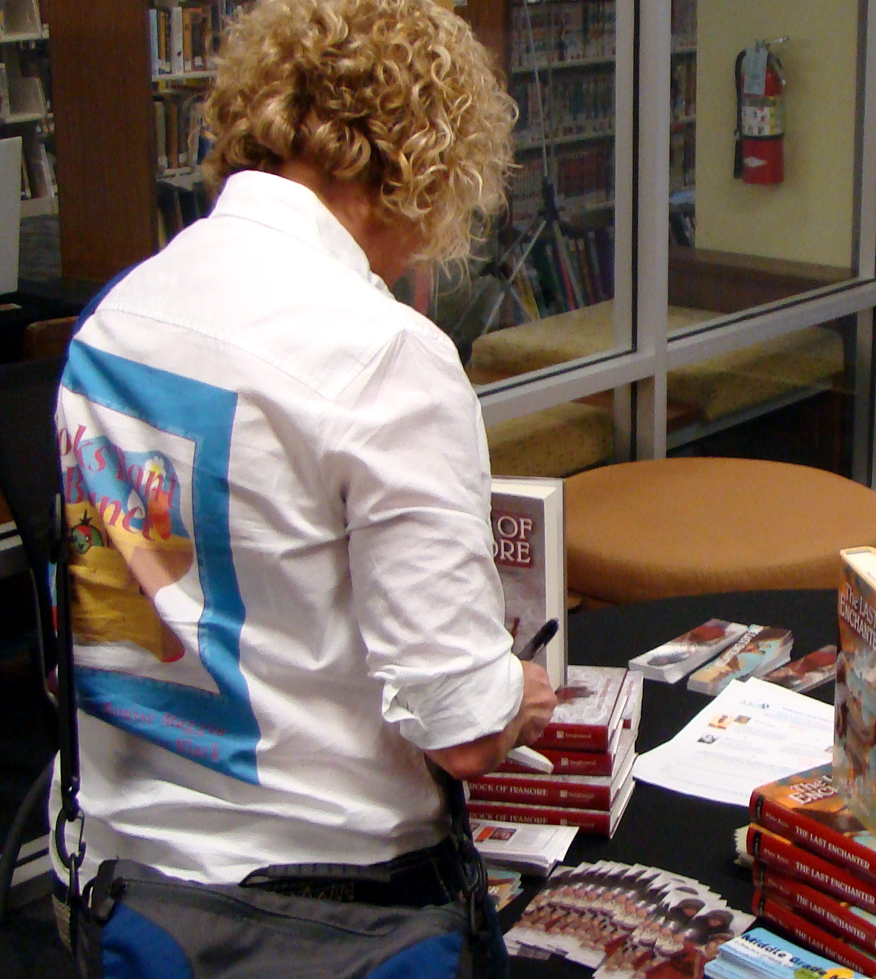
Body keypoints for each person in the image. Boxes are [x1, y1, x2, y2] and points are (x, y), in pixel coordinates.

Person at [51, 0, 556, 926]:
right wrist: (513, 692)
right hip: (320, 914)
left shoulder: (116, 317)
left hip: (117, 888)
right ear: (416, 165)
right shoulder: (385, 355)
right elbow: (464, 731)